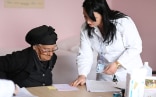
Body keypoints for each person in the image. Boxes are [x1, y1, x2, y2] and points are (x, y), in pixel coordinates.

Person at [71, 0, 143, 87]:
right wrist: (82, 75)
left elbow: (135, 47)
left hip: (128, 73)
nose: (88, 22)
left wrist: (117, 63)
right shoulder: (85, 29)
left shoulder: (123, 22)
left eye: (92, 18)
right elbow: (85, 54)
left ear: (103, 14)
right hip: (105, 76)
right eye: (85, 17)